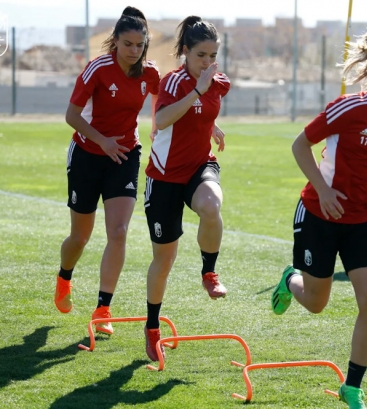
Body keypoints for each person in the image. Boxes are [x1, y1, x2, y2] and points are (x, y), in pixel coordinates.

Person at [270, 25, 367, 409]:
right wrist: (322, 187)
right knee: (317, 303)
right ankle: (292, 279)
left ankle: (351, 387)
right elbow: (300, 144)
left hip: (361, 220)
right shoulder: (348, 107)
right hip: (319, 213)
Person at [54, 6, 160, 336]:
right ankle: (64, 277)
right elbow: (72, 115)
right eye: (127, 44)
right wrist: (103, 142)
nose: (133, 51)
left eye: (139, 45)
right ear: (115, 42)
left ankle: (103, 308)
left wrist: (158, 126)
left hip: (125, 155)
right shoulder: (97, 69)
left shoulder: (150, 73)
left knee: (118, 231)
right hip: (87, 154)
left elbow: (163, 99)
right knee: (80, 236)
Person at [142, 16, 230, 361]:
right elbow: (161, 120)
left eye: (213, 55)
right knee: (163, 260)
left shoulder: (217, 82)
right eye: (201, 56)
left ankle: (209, 271)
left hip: (198, 166)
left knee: (211, 206)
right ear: (185, 53)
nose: (208, 63)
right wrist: (198, 91)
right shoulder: (174, 82)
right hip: (164, 177)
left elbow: (201, 111)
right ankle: (151, 328)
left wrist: (213, 126)